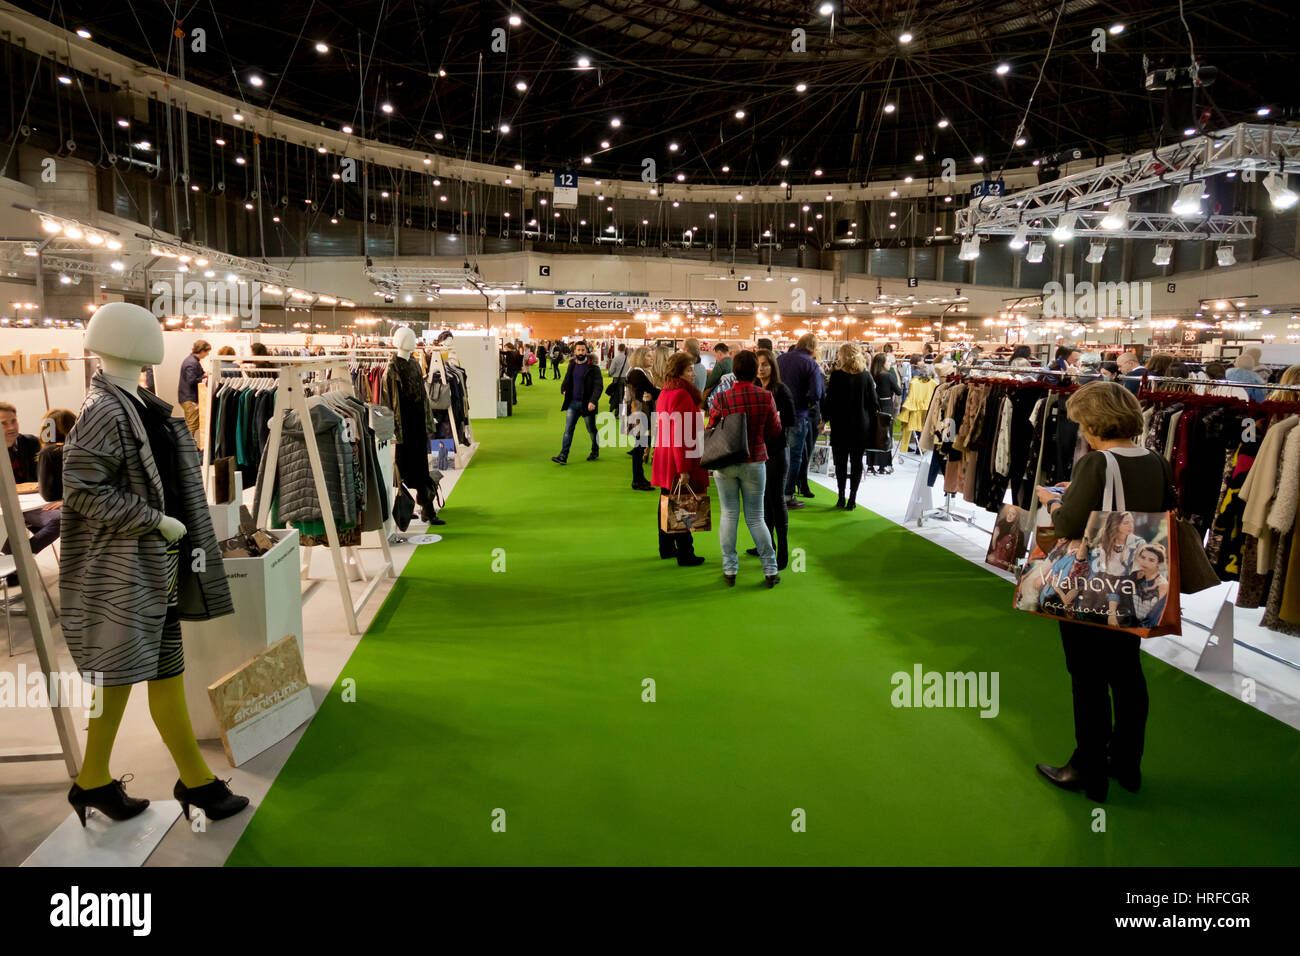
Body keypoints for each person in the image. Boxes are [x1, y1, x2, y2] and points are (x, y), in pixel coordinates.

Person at [1034, 380, 1177, 803]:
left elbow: (1068, 526)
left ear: (1094, 422)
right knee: (1127, 673)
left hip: (1094, 584)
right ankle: (1126, 763)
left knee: (1088, 677)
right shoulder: (1155, 459)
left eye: (1082, 423)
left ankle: (1087, 768)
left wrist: (1053, 500)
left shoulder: (1098, 464)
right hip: (1133, 584)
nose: (1080, 431)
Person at [707, 350, 782, 587]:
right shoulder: (765, 397)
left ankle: (730, 570)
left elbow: (712, 426)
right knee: (756, 518)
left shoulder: (722, 398)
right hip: (756, 461)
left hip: (725, 462)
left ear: (734, 371)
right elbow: (774, 430)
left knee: (729, 515)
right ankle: (770, 569)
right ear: (753, 371)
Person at [652, 352, 707, 568]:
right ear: (679, 372)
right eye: (689, 370)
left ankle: (666, 547)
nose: (694, 374)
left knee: (667, 499)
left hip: (665, 455)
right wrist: (684, 469)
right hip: (678, 457)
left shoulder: (666, 392)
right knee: (683, 504)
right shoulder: (683, 395)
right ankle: (686, 552)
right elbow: (681, 435)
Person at [0, 403, 63, 586]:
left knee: (62, 518)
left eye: (14, 421)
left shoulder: (31, 442)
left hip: (34, 504)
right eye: (4, 423)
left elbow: (44, 480)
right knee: (14, 523)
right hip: (6, 507)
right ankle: (13, 567)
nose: (11, 427)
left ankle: (18, 562)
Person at [746, 348, 794, 569]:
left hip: (775, 451)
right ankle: (767, 545)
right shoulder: (754, 389)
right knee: (762, 502)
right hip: (758, 452)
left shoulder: (780, 390)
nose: (761, 368)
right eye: (758, 364)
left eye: (765, 364)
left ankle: (783, 548)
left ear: (772, 366)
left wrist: (775, 420)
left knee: (775, 500)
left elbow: (791, 420)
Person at [822, 344, 880, 510]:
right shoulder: (866, 377)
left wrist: (824, 420)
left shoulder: (836, 376)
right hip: (860, 426)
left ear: (843, 356)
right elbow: (874, 404)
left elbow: (830, 402)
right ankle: (852, 498)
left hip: (840, 425)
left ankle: (841, 496)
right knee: (856, 462)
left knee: (840, 463)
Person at [777, 333, 823, 508]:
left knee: (777, 455)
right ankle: (787, 495)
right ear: (813, 347)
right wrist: (809, 404)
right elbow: (816, 393)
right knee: (795, 456)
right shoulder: (810, 364)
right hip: (799, 415)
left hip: (778, 415)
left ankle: (776, 492)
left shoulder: (781, 359)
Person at [552, 341, 603, 464]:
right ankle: (563, 456)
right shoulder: (572, 364)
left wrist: (593, 401)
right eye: (578, 350)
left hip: (587, 405)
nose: (580, 352)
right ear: (574, 351)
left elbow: (598, 387)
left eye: (583, 350)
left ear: (586, 351)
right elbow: (567, 378)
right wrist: (563, 389)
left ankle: (595, 450)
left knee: (591, 430)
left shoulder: (594, 368)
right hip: (572, 404)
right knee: (568, 430)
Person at [625, 347, 660, 491]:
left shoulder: (644, 372)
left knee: (641, 446)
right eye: (648, 356)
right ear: (640, 357)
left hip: (644, 412)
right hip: (639, 413)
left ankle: (639, 478)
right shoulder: (636, 373)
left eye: (652, 356)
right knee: (639, 447)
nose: (651, 359)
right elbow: (652, 391)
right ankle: (637, 480)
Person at [869, 352, 902, 475]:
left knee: (874, 435)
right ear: (883, 363)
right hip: (886, 407)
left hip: (874, 409)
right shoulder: (887, 376)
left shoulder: (871, 375)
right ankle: (883, 466)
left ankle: (871, 465)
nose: (890, 364)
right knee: (885, 436)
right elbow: (898, 391)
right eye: (888, 362)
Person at [177, 339, 211, 438]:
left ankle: (189, 447)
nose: (207, 354)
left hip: (188, 396)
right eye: (207, 352)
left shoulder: (191, 361)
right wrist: (205, 376)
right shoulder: (191, 363)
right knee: (192, 424)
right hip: (190, 398)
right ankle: (188, 448)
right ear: (201, 351)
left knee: (192, 423)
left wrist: (203, 375)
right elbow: (191, 381)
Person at [607, 343, 629, 414]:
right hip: (625, 379)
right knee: (623, 397)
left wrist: (610, 374)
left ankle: (615, 411)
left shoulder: (615, 359)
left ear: (618, 349)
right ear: (624, 349)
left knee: (616, 396)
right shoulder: (628, 359)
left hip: (617, 379)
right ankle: (620, 412)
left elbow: (611, 370)